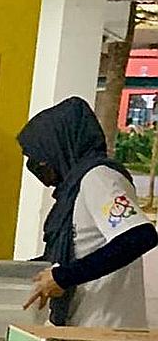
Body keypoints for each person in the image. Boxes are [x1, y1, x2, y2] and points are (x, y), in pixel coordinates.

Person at [19, 96, 158, 327]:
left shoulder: (99, 178)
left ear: (60, 145)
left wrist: (64, 277)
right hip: (80, 325)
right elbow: (73, 253)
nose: (36, 165)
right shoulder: (72, 191)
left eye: (39, 157)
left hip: (106, 327)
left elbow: (139, 237)